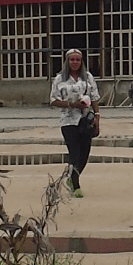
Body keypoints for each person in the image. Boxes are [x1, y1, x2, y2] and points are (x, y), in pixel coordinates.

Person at [49, 48, 99, 198]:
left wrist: (97, 116)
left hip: (85, 119)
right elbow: (53, 100)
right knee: (75, 153)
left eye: (78, 60)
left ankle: (72, 177)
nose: (75, 62)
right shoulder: (59, 79)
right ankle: (75, 185)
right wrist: (71, 105)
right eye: (72, 59)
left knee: (85, 153)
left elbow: (95, 97)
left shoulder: (88, 77)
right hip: (68, 121)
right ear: (67, 61)